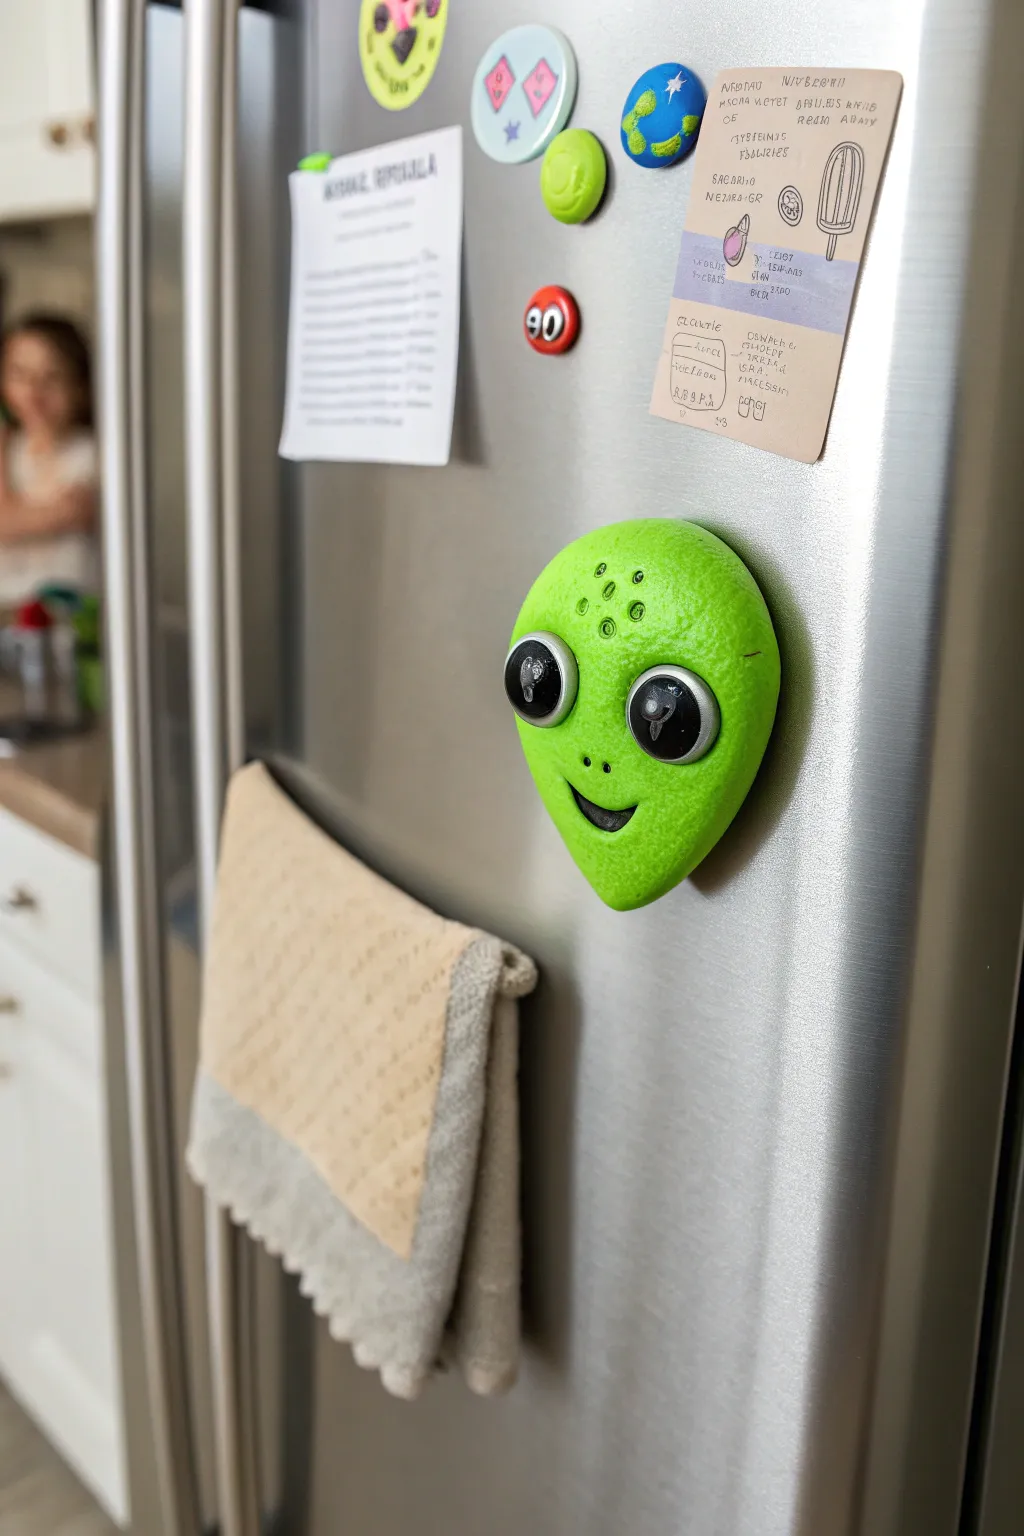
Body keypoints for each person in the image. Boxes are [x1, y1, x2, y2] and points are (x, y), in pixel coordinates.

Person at [0, 312, 98, 608]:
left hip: (74, 618)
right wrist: (55, 514)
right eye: (19, 374)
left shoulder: (92, 456)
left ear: (80, 387)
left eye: (52, 378)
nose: (33, 392)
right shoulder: (9, 453)